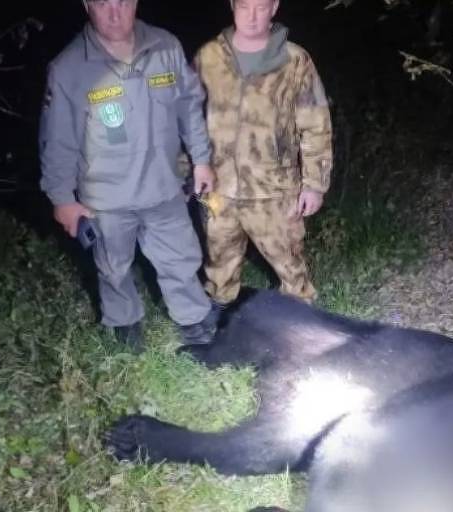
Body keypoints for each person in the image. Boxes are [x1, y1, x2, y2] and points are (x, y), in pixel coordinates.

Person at [39, 0, 217, 350]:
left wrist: (201, 158)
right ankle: (126, 327)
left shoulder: (165, 46)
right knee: (113, 269)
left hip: (164, 186)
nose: (115, 12)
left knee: (180, 259)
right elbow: (57, 140)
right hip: (106, 198)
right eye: (104, 2)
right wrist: (61, 198)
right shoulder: (68, 68)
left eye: (123, 1)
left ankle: (194, 323)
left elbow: (189, 107)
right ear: (87, 4)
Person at [194, 0, 333, 312]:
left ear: (275, 7)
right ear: (232, 6)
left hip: (274, 188)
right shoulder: (208, 57)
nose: (253, 16)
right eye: (245, 7)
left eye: (261, 7)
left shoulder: (295, 60)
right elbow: (188, 117)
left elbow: (316, 123)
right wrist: (186, 169)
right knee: (218, 266)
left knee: (290, 264)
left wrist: (314, 184)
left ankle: (303, 325)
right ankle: (220, 321)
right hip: (220, 188)